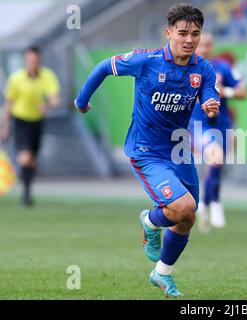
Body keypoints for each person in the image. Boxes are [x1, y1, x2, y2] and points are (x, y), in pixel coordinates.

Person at [74, 3, 220, 297]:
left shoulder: (202, 68)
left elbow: (209, 96)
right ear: (168, 33)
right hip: (146, 151)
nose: (189, 40)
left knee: (187, 218)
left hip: (179, 151)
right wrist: (81, 101)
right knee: (184, 207)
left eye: (195, 33)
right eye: (183, 33)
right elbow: (104, 67)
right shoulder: (145, 60)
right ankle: (150, 220)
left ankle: (162, 274)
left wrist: (210, 106)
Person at [189, 33, 247, 233]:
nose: (204, 48)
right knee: (215, 159)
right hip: (200, 124)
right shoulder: (186, 67)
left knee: (217, 164)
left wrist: (226, 91)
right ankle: (214, 203)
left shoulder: (223, 67)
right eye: (201, 45)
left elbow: (243, 91)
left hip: (223, 125)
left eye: (208, 45)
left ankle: (206, 204)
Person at [0, 46, 60, 206]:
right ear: (26, 60)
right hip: (20, 120)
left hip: (37, 121)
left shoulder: (47, 76)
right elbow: (8, 103)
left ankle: (27, 190)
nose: (33, 63)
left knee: (32, 159)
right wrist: (4, 126)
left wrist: (47, 105)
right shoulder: (16, 78)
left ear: (40, 60)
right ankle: (26, 194)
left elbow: (55, 100)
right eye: (30, 60)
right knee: (25, 158)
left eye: (36, 60)